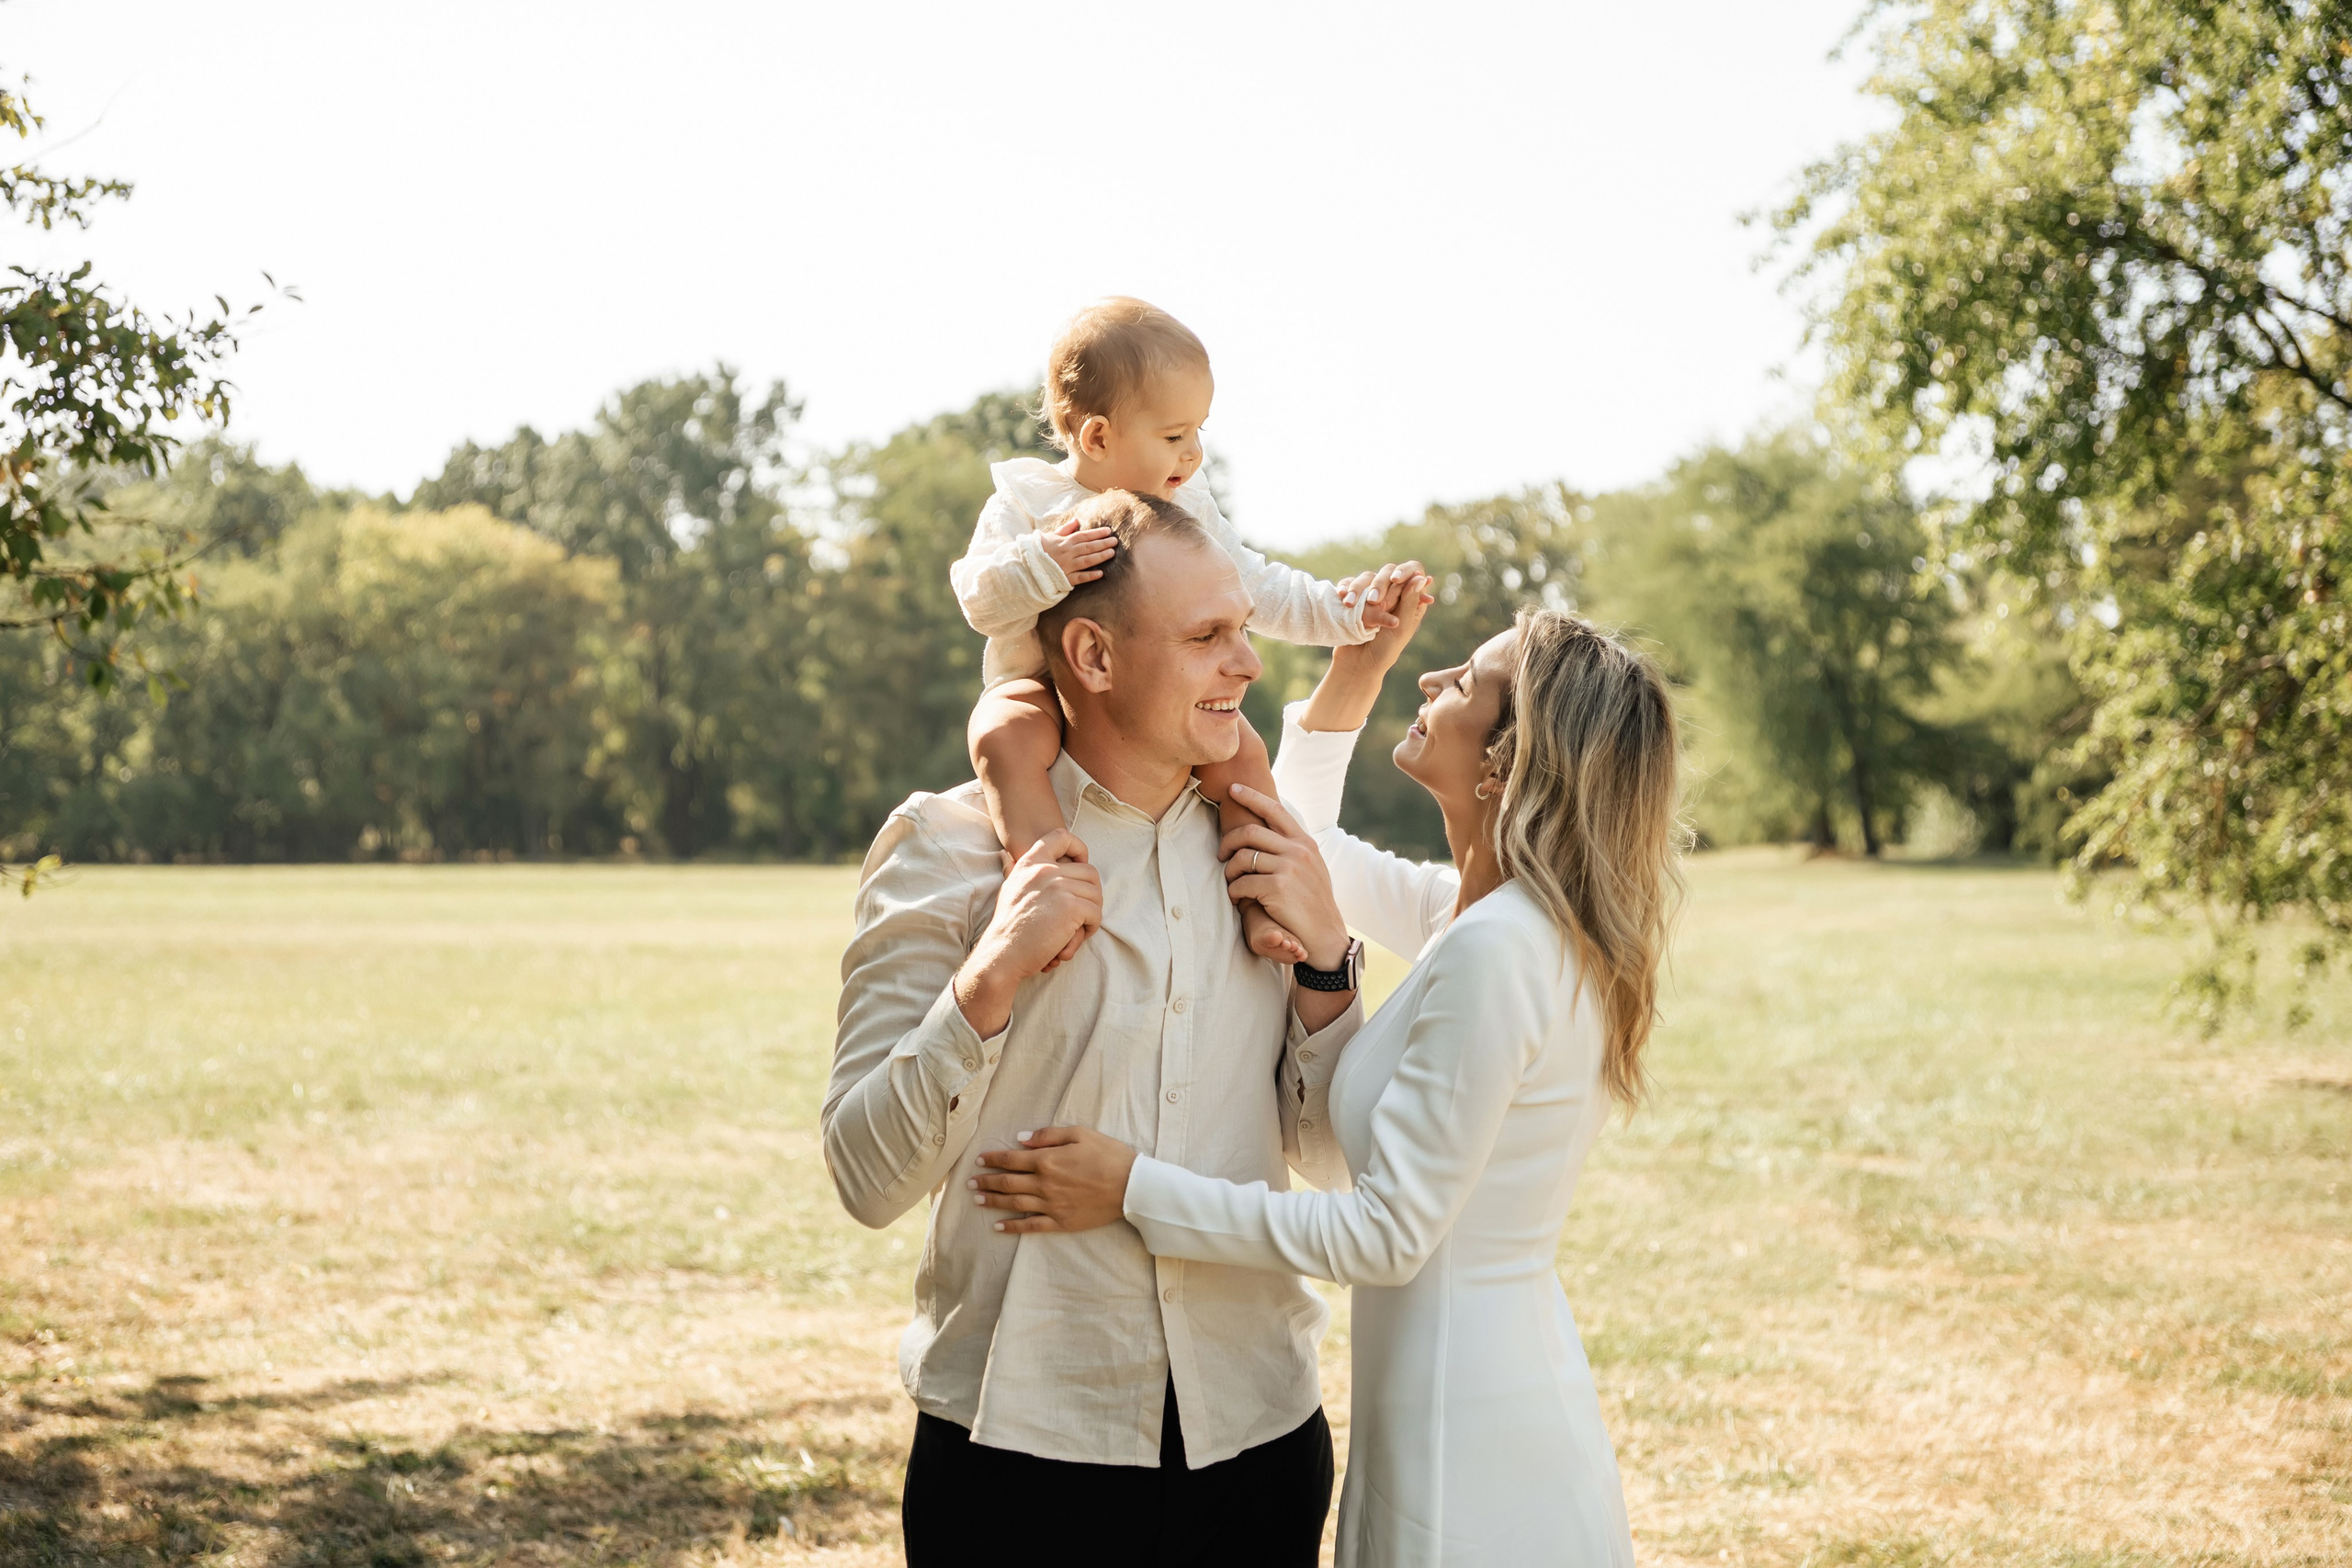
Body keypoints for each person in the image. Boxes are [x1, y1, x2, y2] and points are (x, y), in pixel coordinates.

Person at [971, 606, 1688, 1567]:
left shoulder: (1496, 949)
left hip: (1466, 1429)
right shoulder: (1480, 915)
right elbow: (1299, 838)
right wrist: (1356, 671)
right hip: (1463, 1383)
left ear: (1505, 760)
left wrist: (1132, 1187)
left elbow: (1385, 1235)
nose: (1430, 681)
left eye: (1465, 682)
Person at [826, 489, 1432, 1567]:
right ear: (1093, 656)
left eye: (1243, 628)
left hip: (1257, 1442)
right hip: (1014, 1452)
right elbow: (867, 1180)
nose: (1248, 664)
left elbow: (1339, 1161)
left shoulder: (1270, 850)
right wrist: (990, 976)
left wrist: (1327, 966)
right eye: (1207, 637)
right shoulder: (944, 848)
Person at [951, 295, 1418, 964]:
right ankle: (1048, 883)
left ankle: (1260, 904)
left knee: (1244, 755)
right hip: (1042, 688)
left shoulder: (1184, 506)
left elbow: (1255, 586)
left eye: (1199, 431)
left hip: (1160, 703)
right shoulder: (1029, 503)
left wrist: (1346, 615)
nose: (1194, 453)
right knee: (1003, 735)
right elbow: (978, 598)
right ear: (1098, 438)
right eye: (1174, 437)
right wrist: (1043, 563)